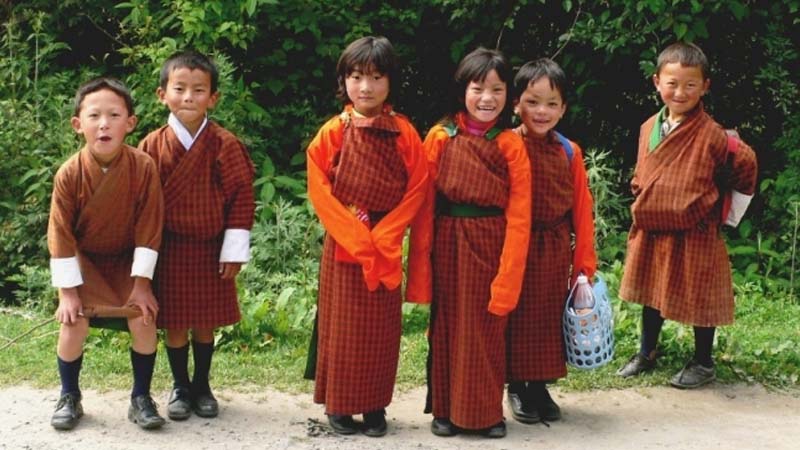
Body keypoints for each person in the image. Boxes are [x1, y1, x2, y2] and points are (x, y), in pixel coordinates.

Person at [305, 36, 428, 438]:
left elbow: (418, 188)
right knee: (342, 329)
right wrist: (357, 238)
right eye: (357, 76)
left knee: (380, 331)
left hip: (386, 243)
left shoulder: (405, 133)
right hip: (344, 243)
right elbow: (320, 191)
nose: (366, 87)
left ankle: (375, 406)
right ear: (344, 80)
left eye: (376, 77)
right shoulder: (333, 132)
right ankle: (339, 405)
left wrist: (386, 235)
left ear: (390, 82)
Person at [407, 47, 532, 438]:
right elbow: (424, 204)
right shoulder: (441, 137)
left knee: (487, 328)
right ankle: (443, 410)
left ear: (508, 96)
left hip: (492, 243)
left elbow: (520, 213)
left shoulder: (511, 143)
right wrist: (421, 267)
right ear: (463, 90)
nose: (487, 99)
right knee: (446, 327)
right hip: (448, 242)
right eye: (478, 88)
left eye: (496, 89)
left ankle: (486, 414)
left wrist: (509, 274)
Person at [616, 42, 757, 388]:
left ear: (705, 86)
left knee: (700, 294)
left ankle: (704, 362)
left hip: (695, 229)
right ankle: (647, 351)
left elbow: (747, 167)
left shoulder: (714, 136)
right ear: (656, 83)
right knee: (651, 291)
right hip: (652, 226)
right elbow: (642, 170)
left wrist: (725, 214)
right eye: (672, 83)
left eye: (690, 84)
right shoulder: (649, 126)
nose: (680, 92)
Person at [138, 50, 255, 419]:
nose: (188, 97)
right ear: (162, 95)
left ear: (213, 97)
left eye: (199, 90)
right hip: (169, 249)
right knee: (174, 323)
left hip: (210, 248)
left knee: (204, 322)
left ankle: (202, 385)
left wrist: (233, 250)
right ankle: (179, 387)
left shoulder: (225, 143)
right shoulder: (151, 145)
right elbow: (141, 203)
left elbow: (241, 197)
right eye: (180, 88)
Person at [48, 77, 165, 430]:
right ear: (77, 124)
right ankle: (69, 395)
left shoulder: (143, 167)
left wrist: (142, 284)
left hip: (129, 263)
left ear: (130, 123)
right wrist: (67, 293)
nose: (104, 123)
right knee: (73, 324)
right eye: (94, 115)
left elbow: (150, 226)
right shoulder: (69, 174)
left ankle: (141, 397)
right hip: (84, 264)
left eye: (114, 115)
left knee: (144, 319)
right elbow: (61, 234)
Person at [506, 58, 597, 424]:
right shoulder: (506, 145)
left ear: (563, 108)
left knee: (547, 318)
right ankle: (515, 385)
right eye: (532, 101)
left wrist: (583, 264)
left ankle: (540, 385)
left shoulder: (568, 151)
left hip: (554, 246)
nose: (541, 111)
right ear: (516, 104)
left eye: (551, 103)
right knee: (517, 316)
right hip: (515, 245)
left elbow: (582, 209)